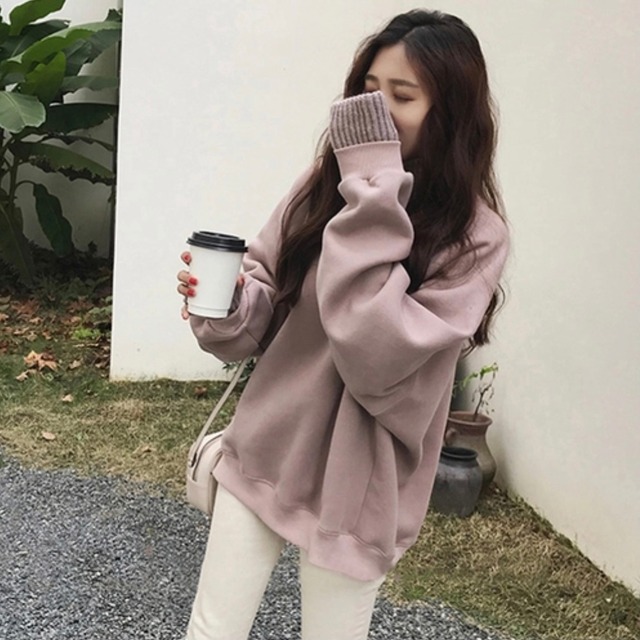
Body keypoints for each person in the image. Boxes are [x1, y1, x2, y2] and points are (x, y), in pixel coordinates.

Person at [176, 9, 509, 640]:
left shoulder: (475, 237)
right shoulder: (325, 185)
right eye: (368, 90)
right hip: (270, 442)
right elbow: (267, 295)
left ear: (452, 112)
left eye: (402, 96)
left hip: (363, 484)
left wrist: (372, 190)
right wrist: (224, 304)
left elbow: (375, 354)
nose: (376, 111)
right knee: (212, 629)